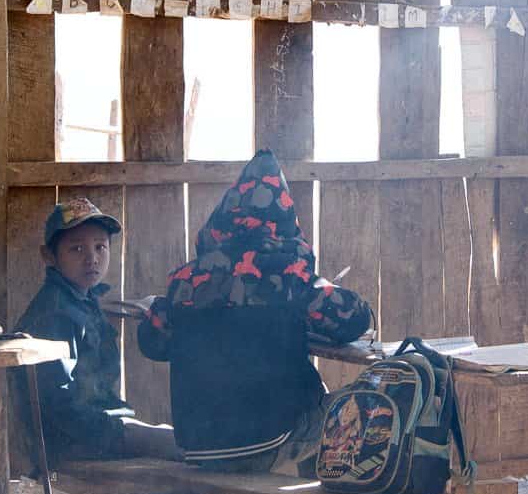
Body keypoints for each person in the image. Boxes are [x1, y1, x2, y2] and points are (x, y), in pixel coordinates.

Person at [15, 199, 219, 494]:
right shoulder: (54, 315)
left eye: (100, 248)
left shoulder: (80, 301)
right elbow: (56, 403)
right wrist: (116, 430)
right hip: (71, 442)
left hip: (94, 428)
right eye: (76, 249)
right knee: (187, 447)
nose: (91, 258)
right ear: (49, 256)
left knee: (172, 444)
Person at [136, 149, 373, 474]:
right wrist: (314, 285)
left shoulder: (185, 281)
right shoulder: (286, 274)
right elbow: (356, 320)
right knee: (338, 410)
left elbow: (152, 342)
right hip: (271, 438)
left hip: (199, 446)